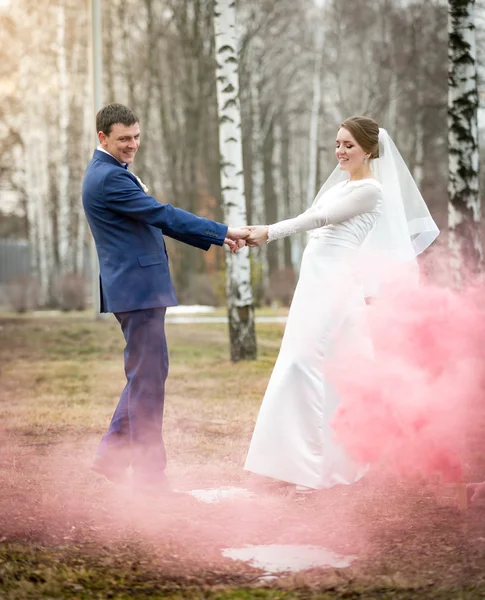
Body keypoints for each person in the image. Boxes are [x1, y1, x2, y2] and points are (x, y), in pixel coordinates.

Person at [243, 116, 439, 493]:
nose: (341, 151)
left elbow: (317, 218)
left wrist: (269, 232)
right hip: (314, 285)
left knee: (308, 363)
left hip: (333, 286)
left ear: (368, 149)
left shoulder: (371, 191)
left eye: (349, 145)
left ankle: (315, 467)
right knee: (302, 362)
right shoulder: (342, 186)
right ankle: (291, 462)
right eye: (337, 144)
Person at [82, 103, 248, 494]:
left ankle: (112, 456)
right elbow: (162, 214)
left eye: (136, 137)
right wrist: (222, 231)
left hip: (137, 290)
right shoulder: (109, 179)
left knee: (146, 376)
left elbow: (156, 217)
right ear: (102, 137)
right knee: (148, 382)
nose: (133, 145)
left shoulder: (110, 173)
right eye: (124, 139)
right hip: (137, 291)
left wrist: (217, 235)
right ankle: (149, 478)